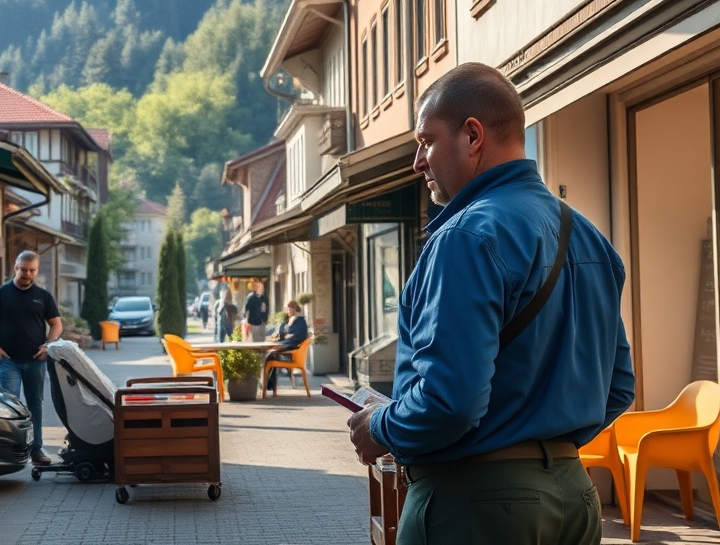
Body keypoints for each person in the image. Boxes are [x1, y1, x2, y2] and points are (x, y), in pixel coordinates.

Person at [347, 63, 635, 545]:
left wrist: (380, 425)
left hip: (476, 503)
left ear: (472, 136)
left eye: (426, 141)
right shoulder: (590, 238)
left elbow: (449, 403)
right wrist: (544, 447)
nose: (418, 162)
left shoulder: (465, 237)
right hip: (574, 498)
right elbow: (618, 387)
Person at [0, 251, 62, 467]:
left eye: (31, 270)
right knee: (11, 406)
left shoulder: (43, 296)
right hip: (9, 362)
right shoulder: (1, 294)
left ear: (36, 270)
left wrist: (48, 345)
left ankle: (36, 449)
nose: (27, 273)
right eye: (23, 269)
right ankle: (13, 450)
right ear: (15, 268)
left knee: (35, 405)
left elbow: (56, 323)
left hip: (35, 361)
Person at [261, 299, 308, 394]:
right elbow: (282, 333)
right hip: (286, 344)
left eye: (291, 308)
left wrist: (285, 339)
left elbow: (298, 336)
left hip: (292, 347)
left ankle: (266, 383)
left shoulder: (300, 321)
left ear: (296, 309)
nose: (289, 311)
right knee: (269, 354)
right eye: (288, 309)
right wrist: (278, 338)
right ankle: (268, 383)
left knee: (270, 353)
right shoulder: (287, 321)